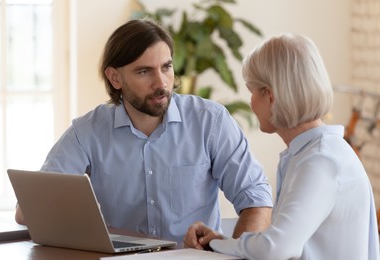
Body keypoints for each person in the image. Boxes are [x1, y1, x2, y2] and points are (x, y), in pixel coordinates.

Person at [15, 19, 273, 243]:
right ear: (115, 78)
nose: (161, 83)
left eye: (166, 67)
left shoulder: (210, 121)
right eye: (143, 71)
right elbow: (27, 212)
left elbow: (256, 201)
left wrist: (236, 261)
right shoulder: (87, 132)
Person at [184, 33, 380, 259]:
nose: (251, 103)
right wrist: (221, 241)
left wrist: (220, 244)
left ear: (271, 95)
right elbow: (284, 239)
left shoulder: (320, 161)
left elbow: (277, 248)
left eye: (252, 92)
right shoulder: (314, 153)